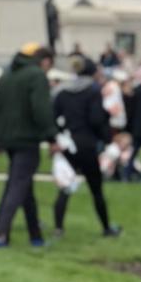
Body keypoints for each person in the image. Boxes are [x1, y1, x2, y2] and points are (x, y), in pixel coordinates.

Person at [0, 44, 54, 247]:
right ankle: (0, 232)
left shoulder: (7, 74)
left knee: (24, 186)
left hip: (7, 138)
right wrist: (51, 136)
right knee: (18, 185)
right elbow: (41, 109)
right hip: (27, 138)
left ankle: (35, 235)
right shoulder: (36, 76)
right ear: (45, 61)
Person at [52, 59, 120, 236]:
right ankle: (105, 227)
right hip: (87, 143)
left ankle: (59, 227)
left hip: (69, 143)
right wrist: (105, 137)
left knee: (66, 187)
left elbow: (53, 117)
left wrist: (59, 135)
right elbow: (97, 119)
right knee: (96, 188)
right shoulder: (93, 91)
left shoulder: (63, 91)